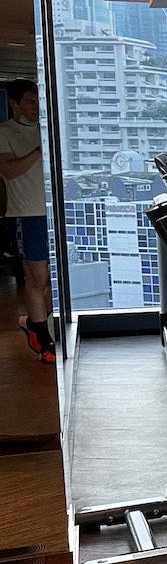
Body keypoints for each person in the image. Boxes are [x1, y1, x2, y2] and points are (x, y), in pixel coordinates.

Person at [0, 80, 53, 363]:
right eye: (31, 102)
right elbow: (8, 171)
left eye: (38, 102)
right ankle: (40, 335)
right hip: (26, 213)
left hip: (54, 212)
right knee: (37, 277)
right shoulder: (4, 132)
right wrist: (38, 151)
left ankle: (36, 321)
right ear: (15, 104)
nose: (36, 108)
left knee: (53, 278)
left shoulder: (49, 129)